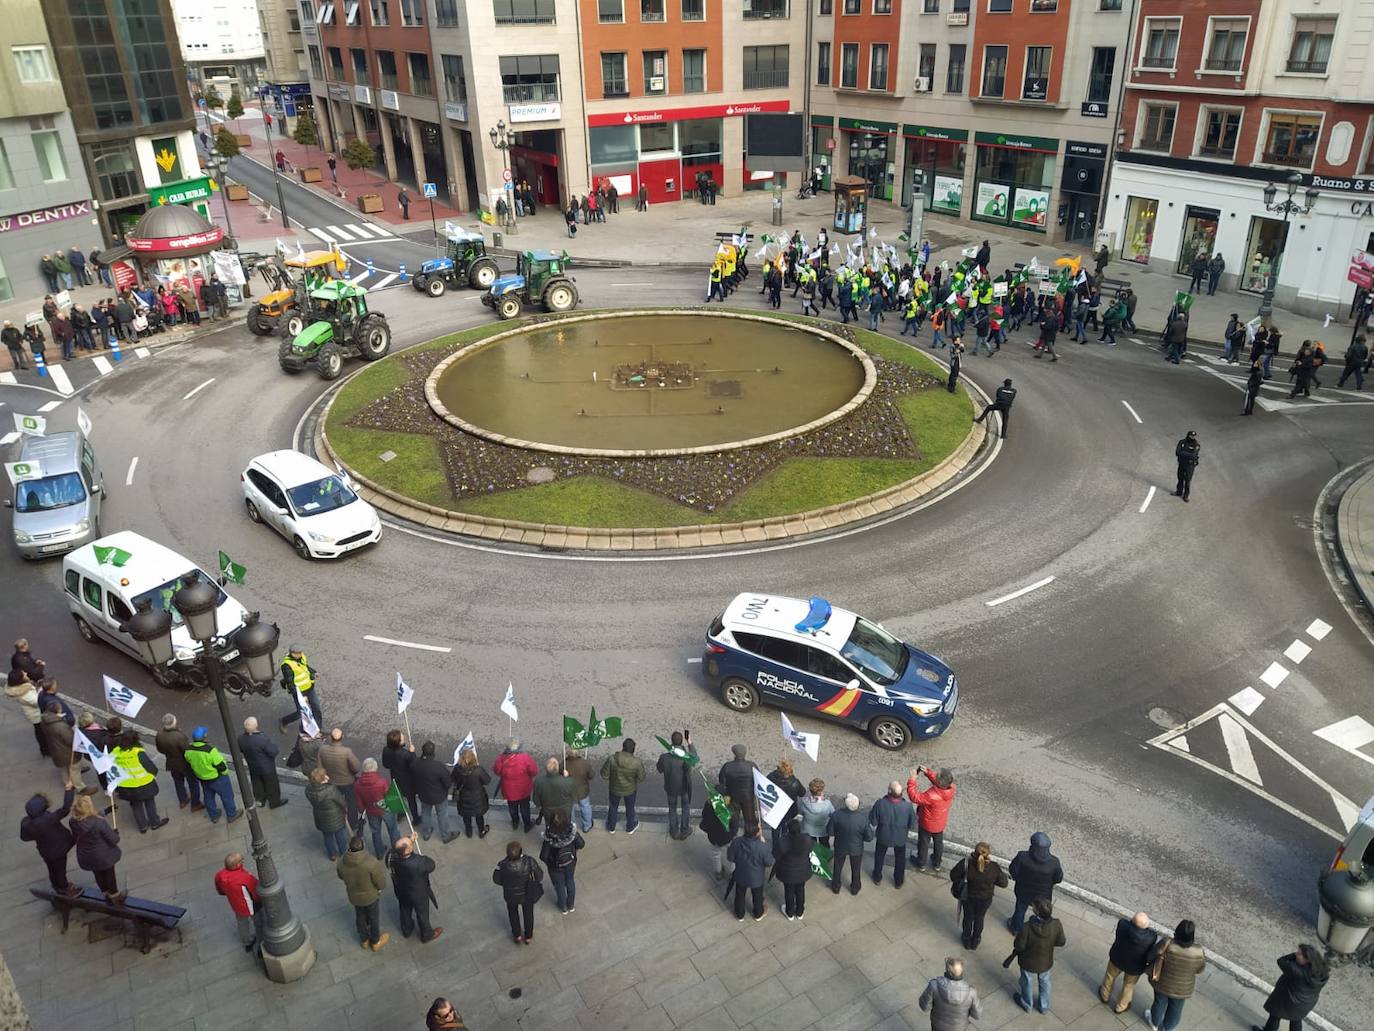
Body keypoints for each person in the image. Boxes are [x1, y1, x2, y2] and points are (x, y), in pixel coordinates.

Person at [21, 785, 80, 897]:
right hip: (58, 850)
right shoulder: (48, 819)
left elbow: (24, 837)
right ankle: (65, 889)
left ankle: (56, 885)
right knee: (60, 870)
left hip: (45, 851)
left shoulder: (26, 823)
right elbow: (65, 809)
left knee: (52, 869)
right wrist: (69, 791)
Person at [1148, 920, 1206, 1031]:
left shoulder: (1167, 943)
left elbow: (1152, 954)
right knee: (1176, 1009)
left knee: (1159, 1002)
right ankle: (1167, 1028)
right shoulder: (1199, 951)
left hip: (1162, 983)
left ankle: (1154, 1022)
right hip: (1183, 988)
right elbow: (1200, 969)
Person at [1253, 944, 1328, 1031]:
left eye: (1299, 954)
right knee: (1296, 1020)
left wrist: (1293, 955)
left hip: (1288, 1000)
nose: (1296, 954)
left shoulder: (1294, 969)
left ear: (1307, 959)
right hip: (1306, 1003)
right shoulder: (1322, 971)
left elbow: (1281, 960)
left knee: (1275, 1015)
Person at [1012, 898, 1067, 1014]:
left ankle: (1027, 1004)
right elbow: (1061, 942)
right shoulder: (1056, 924)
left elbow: (1019, 945)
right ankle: (1044, 1006)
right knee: (1045, 981)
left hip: (1028, 962)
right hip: (1045, 961)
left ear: (1036, 912)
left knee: (1027, 981)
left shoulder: (1026, 927)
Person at [337, 835, 390, 952]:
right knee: (373, 917)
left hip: (354, 895)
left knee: (360, 916)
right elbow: (380, 881)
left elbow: (340, 876)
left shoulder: (341, 861)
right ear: (363, 847)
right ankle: (375, 941)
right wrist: (380, 888)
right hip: (371, 896)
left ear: (349, 847)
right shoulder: (371, 862)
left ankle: (364, 940)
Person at [949, 841, 1006, 950]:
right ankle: (976, 940)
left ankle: (966, 939)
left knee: (968, 917)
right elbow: (1003, 883)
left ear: (974, 852)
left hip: (968, 897)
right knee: (979, 918)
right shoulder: (993, 867)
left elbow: (953, 876)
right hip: (985, 899)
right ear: (988, 854)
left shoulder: (965, 864)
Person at [69, 794, 124, 904]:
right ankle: (115, 896)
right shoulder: (99, 823)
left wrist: (105, 812)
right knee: (109, 875)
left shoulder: (73, 822)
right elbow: (114, 839)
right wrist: (115, 833)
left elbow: (87, 819)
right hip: (103, 856)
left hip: (87, 855)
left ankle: (105, 893)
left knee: (98, 874)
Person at [1100, 912, 1158, 1015]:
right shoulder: (1151, 937)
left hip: (1117, 958)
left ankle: (1104, 994)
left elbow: (1125, 922)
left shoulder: (1122, 925)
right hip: (1135, 966)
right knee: (1129, 985)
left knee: (1110, 976)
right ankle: (1121, 1006)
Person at [111, 730, 167, 833]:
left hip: (127, 786)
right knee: (149, 803)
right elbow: (150, 766)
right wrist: (154, 774)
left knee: (136, 806)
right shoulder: (138, 752)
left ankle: (142, 826)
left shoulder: (115, 753)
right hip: (144, 784)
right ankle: (155, 822)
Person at [389, 836, 442, 942]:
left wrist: (411, 840)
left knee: (404, 909)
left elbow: (403, 847)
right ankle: (426, 934)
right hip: (418, 893)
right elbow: (431, 865)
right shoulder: (418, 862)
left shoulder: (393, 857)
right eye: (410, 844)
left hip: (402, 890)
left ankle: (407, 929)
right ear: (408, 850)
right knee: (422, 913)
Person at [1007, 831, 1063, 932]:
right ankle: (1040, 932)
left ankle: (1016, 928)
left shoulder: (1022, 856)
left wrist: (1018, 879)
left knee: (1020, 909)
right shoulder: (1054, 862)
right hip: (1043, 895)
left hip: (1023, 891)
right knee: (1042, 913)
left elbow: (1013, 870)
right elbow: (1058, 879)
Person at [186, 726, 241, 824]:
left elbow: (188, 761)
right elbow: (220, 765)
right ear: (204, 737)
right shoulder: (210, 750)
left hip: (202, 778)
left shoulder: (188, 750)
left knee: (208, 797)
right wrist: (224, 773)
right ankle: (231, 814)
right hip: (217, 778)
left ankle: (214, 815)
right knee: (227, 796)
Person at [906, 766, 955, 872]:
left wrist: (912, 779)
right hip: (940, 823)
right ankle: (937, 863)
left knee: (923, 844)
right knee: (938, 844)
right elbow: (940, 783)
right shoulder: (951, 789)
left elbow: (915, 797)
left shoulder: (931, 795)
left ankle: (921, 863)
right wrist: (928, 772)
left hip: (927, 823)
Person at [493, 840, 543, 943]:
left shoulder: (502, 864)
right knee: (528, 914)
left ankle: (517, 935)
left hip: (510, 895)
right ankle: (528, 936)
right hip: (527, 893)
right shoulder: (529, 861)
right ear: (521, 852)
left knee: (512, 913)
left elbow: (496, 879)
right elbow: (539, 875)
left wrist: (506, 884)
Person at [869, 780, 917, 887]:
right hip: (900, 837)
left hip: (883, 836)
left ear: (889, 791)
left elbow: (873, 821)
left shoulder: (880, 803)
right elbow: (912, 825)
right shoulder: (908, 806)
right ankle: (898, 881)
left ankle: (877, 877)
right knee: (900, 859)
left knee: (879, 856)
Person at [538, 810, 584, 914]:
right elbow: (581, 844)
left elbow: (543, 856)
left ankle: (563, 906)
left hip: (555, 866)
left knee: (559, 886)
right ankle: (571, 904)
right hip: (570, 862)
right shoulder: (572, 833)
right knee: (570, 881)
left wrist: (549, 863)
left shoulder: (549, 838)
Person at [919, 956, 982, 1031]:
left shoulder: (934, 985)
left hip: (938, 1026)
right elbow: (977, 1015)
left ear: (947, 971)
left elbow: (925, 1007)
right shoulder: (971, 992)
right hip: (959, 1028)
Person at [214, 852, 261, 952]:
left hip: (236, 905)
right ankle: (262, 941)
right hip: (250, 905)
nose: (243, 860)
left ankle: (247, 942)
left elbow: (219, 888)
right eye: (241, 860)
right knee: (258, 921)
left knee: (242, 923)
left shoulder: (220, 875)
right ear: (237, 865)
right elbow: (255, 891)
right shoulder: (245, 878)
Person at [413, 741, 458, 844]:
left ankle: (426, 833)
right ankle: (445, 835)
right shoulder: (438, 766)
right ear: (433, 753)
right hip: (439, 796)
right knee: (442, 815)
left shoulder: (416, 764)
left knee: (425, 813)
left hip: (423, 794)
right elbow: (447, 782)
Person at [827, 793, 872, 895]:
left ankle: (836, 886)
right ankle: (855, 887)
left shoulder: (837, 815)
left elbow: (830, 832)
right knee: (856, 868)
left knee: (837, 866)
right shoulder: (863, 819)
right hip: (856, 848)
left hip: (840, 845)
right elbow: (869, 837)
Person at [656, 730, 698, 840]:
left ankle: (674, 831)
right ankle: (684, 830)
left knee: (672, 808)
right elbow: (695, 758)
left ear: (672, 742)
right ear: (681, 742)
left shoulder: (664, 757)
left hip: (670, 787)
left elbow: (659, 769)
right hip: (684, 786)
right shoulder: (686, 757)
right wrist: (689, 742)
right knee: (685, 808)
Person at [355, 758, 401, 857]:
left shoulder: (358, 784)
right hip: (385, 809)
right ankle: (397, 849)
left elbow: (359, 801)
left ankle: (379, 852)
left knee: (375, 832)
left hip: (371, 811)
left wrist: (362, 810)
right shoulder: (381, 782)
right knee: (393, 829)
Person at [727, 821, 773, 921]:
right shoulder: (762, 847)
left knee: (739, 895)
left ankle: (739, 914)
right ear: (757, 833)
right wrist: (764, 844)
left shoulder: (737, 842)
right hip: (756, 878)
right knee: (757, 896)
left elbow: (730, 857)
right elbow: (770, 862)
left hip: (740, 874)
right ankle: (758, 913)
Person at [40, 694, 85, 791]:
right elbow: (71, 740)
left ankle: (67, 783)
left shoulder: (45, 720)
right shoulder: (60, 725)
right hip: (66, 751)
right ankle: (80, 788)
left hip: (55, 749)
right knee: (74, 769)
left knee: (64, 768)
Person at [238, 717, 285, 809]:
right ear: (256, 726)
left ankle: (260, 800)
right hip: (267, 767)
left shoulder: (241, 739)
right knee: (272, 785)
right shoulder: (262, 739)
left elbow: (240, 750)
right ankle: (274, 802)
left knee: (257, 783)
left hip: (253, 765)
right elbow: (273, 751)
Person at [601, 738, 646, 833]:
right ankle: (630, 826)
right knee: (630, 807)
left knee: (613, 807)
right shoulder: (636, 762)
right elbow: (641, 778)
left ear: (623, 747)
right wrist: (633, 781)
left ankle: (611, 826)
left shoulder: (612, 759)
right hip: (630, 789)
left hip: (614, 788)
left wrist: (612, 779)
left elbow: (604, 775)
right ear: (633, 749)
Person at [492, 740, 538, 831]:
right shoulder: (525, 758)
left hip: (509, 790)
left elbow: (496, 771)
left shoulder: (501, 758)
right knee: (525, 807)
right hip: (523, 789)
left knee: (512, 807)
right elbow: (534, 771)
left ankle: (515, 822)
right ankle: (527, 824)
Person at [319, 727, 360, 828]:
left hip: (331, 781)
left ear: (330, 738)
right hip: (347, 781)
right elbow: (356, 767)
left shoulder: (323, 749)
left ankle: (337, 818)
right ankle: (353, 823)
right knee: (351, 803)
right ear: (342, 737)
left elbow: (319, 766)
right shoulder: (346, 752)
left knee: (334, 802)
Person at [773, 817, 813, 921]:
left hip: (787, 872)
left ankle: (789, 912)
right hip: (802, 871)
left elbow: (775, 854)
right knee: (800, 890)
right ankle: (800, 912)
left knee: (789, 891)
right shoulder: (806, 839)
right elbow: (810, 849)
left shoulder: (783, 841)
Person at [306, 766, 350, 859]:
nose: (327, 776)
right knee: (340, 834)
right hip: (335, 816)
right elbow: (341, 802)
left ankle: (332, 854)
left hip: (320, 817)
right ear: (322, 779)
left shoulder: (308, 790)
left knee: (327, 836)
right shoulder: (331, 790)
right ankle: (343, 852)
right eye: (325, 775)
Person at [451, 750, 492, 838]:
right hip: (477, 797)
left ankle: (469, 832)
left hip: (463, 797)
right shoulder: (478, 770)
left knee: (466, 816)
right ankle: (481, 831)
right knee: (479, 816)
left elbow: (452, 779)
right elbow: (487, 780)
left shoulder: (457, 769)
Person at [718, 744, 759, 829]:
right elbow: (758, 781)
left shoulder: (727, 766)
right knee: (750, 819)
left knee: (733, 820)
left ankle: (733, 835)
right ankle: (750, 835)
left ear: (734, 754)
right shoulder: (752, 765)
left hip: (732, 797)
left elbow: (722, 782)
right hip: (748, 797)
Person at [279, 647, 322, 729]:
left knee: (316, 708)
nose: (300, 654)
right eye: (297, 653)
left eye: (300, 652)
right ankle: (283, 721)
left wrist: (313, 672)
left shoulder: (301, 657)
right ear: (292, 653)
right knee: (300, 713)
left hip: (309, 688)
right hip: (299, 692)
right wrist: (302, 697)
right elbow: (291, 685)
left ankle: (318, 728)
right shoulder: (286, 666)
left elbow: (305, 667)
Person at [381, 729, 418, 823]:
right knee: (411, 799)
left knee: (399, 795)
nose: (403, 737)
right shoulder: (405, 754)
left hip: (395, 776)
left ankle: (401, 813)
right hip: (407, 780)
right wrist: (412, 753)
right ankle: (416, 818)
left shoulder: (386, 750)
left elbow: (386, 764)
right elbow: (414, 765)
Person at [7, 669, 46, 757]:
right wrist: (40, 689)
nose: (26, 673)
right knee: (41, 732)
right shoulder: (25, 693)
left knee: (40, 731)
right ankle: (45, 750)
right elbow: (37, 701)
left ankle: (44, 749)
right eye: (23, 674)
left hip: (33, 713)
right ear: (20, 679)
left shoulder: (22, 688)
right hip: (36, 714)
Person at [530, 756, 576, 825]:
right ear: (557, 769)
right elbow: (573, 796)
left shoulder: (538, 781)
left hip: (548, 812)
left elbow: (537, 802)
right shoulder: (569, 781)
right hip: (565, 811)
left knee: (550, 827)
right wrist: (567, 778)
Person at [700, 791, 735, 882]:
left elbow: (704, 818)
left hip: (714, 837)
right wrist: (732, 834)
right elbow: (734, 823)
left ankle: (718, 872)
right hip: (728, 836)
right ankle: (732, 873)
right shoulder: (729, 807)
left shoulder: (708, 806)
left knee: (716, 855)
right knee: (733, 854)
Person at [797, 778, 833, 848]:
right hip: (823, 830)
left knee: (811, 848)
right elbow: (833, 815)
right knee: (824, 845)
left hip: (808, 830)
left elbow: (800, 815)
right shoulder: (827, 804)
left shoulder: (804, 802)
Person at [1173, 431, 1201, 502]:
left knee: (1188, 481)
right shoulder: (1182, 442)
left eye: (1193, 436)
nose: (1192, 437)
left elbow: (1194, 456)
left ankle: (1186, 496)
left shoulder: (1196, 445)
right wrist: (1188, 454)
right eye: (1191, 436)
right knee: (1180, 478)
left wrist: (1183, 453)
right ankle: (1179, 492)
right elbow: (1177, 452)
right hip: (1181, 463)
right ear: (1188, 435)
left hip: (1190, 465)